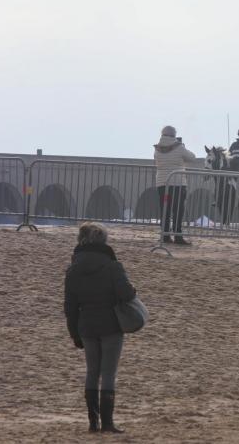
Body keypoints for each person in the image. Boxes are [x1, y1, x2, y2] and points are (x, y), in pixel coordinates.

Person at [64, 223, 137, 433]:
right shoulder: (113, 266)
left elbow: (69, 306)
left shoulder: (73, 269)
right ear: (104, 241)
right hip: (111, 325)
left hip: (86, 325)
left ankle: (93, 423)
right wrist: (133, 289)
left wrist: (74, 333)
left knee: (92, 372)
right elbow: (126, 294)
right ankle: (107, 423)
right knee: (108, 373)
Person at [154, 125, 196, 244]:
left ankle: (165, 235)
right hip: (177, 183)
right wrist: (183, 146)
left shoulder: (157, 148)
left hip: (162, 183)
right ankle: (178, 235)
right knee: (178, 210)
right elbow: (192, 158)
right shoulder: (179, 147)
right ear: (174, 135)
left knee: (165, 210)